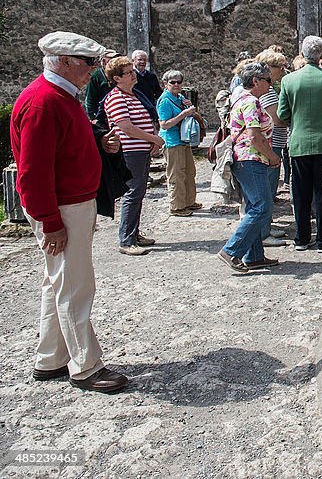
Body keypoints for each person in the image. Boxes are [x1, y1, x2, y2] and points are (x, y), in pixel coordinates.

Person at [12, 31, 130, 393]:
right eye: (88, 64)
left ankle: (50, 358)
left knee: (58, 280)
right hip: (63, 207)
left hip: (69, 203)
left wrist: (99, 142)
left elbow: (64, 145)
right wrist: (50, 222)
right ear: (64, 62)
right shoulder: (44, 102)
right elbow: (33, 170)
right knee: (75, 285)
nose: (94, 71)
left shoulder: (59, 96)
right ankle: (86, 366)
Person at [278, 36, 322, 252]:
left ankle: (302, 238)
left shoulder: (289, 80)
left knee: (300, 192)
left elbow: (282, 113)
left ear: (303, 54)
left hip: (298, 143)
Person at [218, 62, 282, 274]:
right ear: (256, 81)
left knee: (255, 206)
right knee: (262, 207)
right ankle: (231, 250)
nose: (270, 85)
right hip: (251, 159)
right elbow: (255, 136)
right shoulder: (251, 102)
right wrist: (272, 156)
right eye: (268, 81)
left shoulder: (240, 100)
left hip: (245, 159)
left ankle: (254, 256)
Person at [102, 55, 164, 255]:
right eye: (128, 72)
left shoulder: (133, 95)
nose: (133, 75)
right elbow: (126, 127)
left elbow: (144, 120)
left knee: (138, 192)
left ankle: (134, 233)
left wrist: (151, 139)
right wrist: (153, 139)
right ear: (117, 78)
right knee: (133, 192)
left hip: (140, 149)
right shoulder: (116, 98)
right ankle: (127, 240)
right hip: (130, 151)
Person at [254, 49, 290, 247]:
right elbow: (276, 120)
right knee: (267, 189)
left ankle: (266, 225)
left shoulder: (269, 89)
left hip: (274, 143)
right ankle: (263, 231)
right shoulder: (267, 93)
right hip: (272, 145)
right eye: (280, 67)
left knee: (269, 189)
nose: (283, 71)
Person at [156, 69, 203, 216]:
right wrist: (183, 114)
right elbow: (164, 124)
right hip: (171, 141)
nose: (176, 85)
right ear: (166, 84)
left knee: (189, 171)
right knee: (176, 174)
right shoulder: (164, 101)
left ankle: (188, 201)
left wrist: (190, 108)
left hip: (183, 140)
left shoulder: (180, 97)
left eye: (179, 82)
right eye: (172, 82)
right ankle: (177, 206)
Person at [83, 47, 119, 120]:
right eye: (111, 59)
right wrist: (93, 118)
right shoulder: (96, 76)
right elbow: (90, 99)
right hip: (101, 116)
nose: (115, 61)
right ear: (104, 60)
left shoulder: (118, 74)